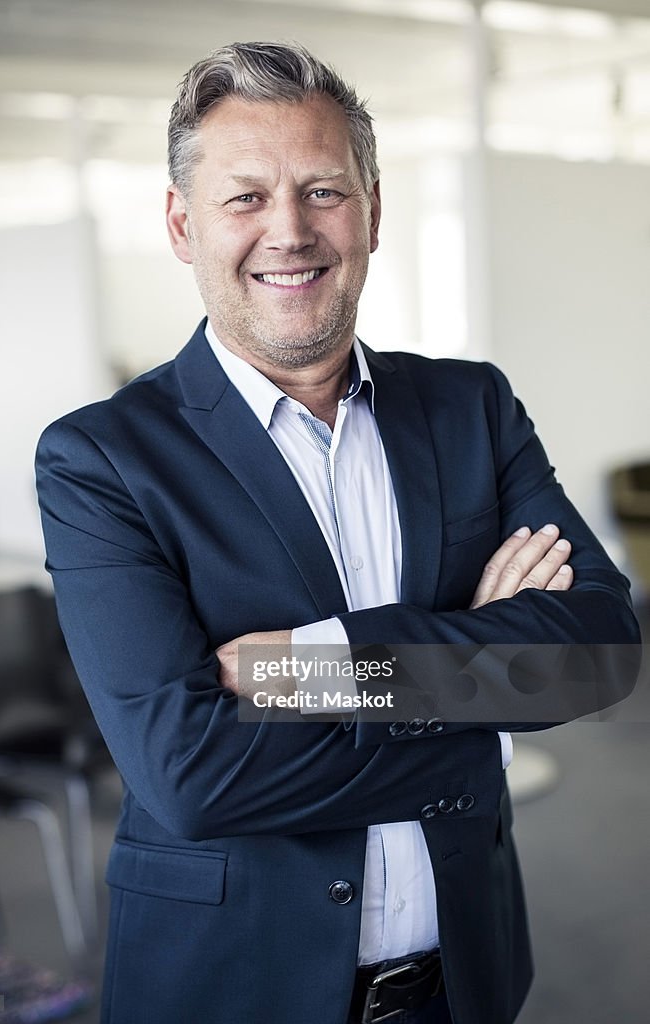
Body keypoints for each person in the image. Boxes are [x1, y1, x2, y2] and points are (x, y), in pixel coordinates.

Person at [35, 41, 640, 1024]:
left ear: (371, 209)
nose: (289, 230)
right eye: (244, 199)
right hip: (233, 991)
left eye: (322, 191)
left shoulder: (469, 408)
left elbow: (599, 653)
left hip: (464, 983)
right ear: (182, 224)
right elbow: (190, 775)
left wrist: (307, 669)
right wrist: (471, 701)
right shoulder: (101, 459)